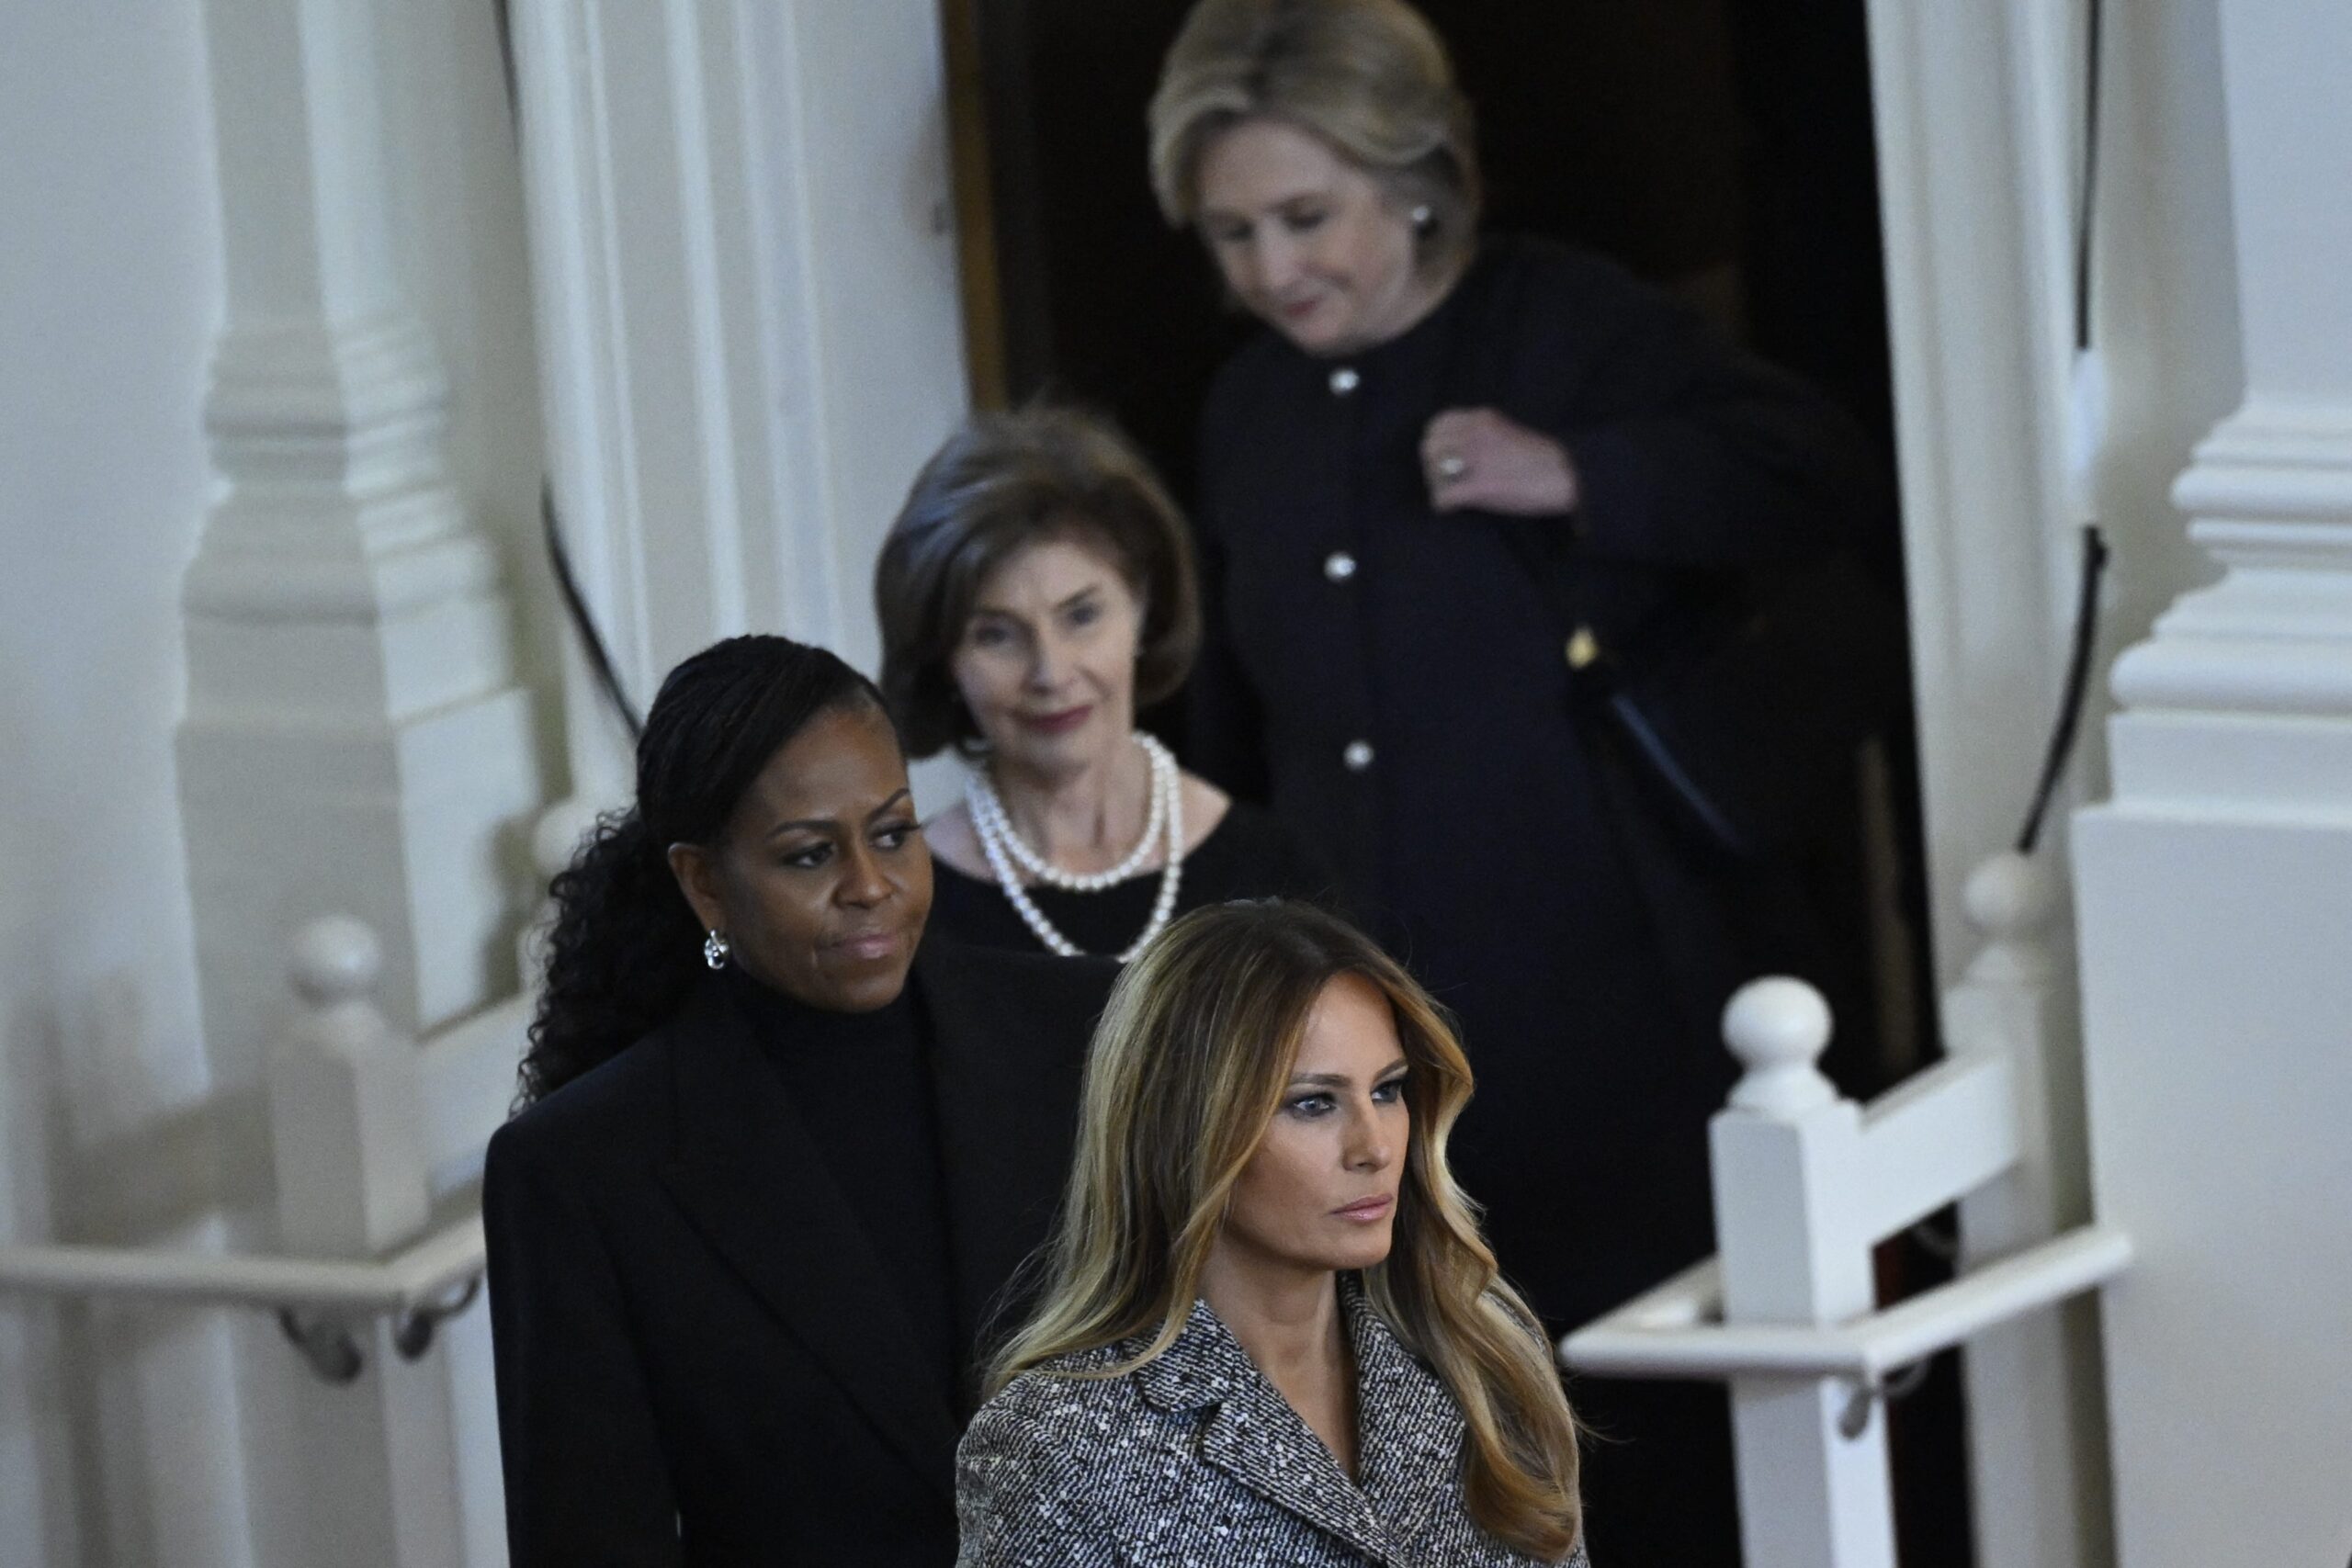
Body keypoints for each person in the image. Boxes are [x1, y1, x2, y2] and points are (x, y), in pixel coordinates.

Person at [1148, 0, 1898, 1558]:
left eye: (1307, 216)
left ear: (1416, 179)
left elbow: (1821, 469)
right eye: (1231, 232)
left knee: (1663, 1443)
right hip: (1366, 1072)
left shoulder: (1561, 324)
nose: (1271, 269)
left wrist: (1579, 473)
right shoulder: (1246, 412)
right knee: (1441, 1458)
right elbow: (1231, 727)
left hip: (1620, 1020)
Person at [483, 634, 1115, 1567]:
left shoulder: (1089, 1031)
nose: (870, 886)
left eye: (893, 833)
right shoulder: (584, 1169)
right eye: (809, 856)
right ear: (704, 884)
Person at [956, 898, 1589, 1566]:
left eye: (1388, 1090)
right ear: (1185, 1128)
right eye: (1313, 1102)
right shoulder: (1056, 1445)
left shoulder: (1483, 1361)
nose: (1374, 1147)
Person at [876, 405, 1329, 963]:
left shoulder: (1273, 879)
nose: (1051, 672)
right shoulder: (902, 909)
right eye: (996, 635)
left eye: (1081, 616)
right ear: (944, 654)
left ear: (1142, 605)